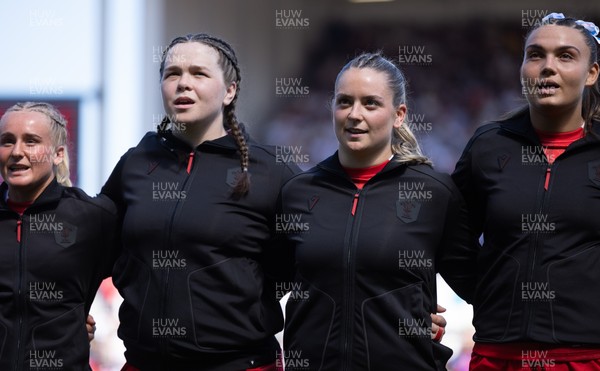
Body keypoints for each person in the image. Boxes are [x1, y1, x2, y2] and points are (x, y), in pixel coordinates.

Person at [100, 33, 301, 371]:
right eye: (172, 74)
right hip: (142, 363)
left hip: (242, 364)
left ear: (230, 90)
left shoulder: (272, 171)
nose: (183, 84)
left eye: (199, 73)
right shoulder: (136, 163)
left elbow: (320, 258)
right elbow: (92, 245)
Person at [277, 52, 478, 370]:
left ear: (399, 114)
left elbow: (483, 290)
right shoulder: (297, 193)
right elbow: (264, 285)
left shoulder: (434, 193)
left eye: (370, 103)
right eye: (344, 102)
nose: (354, 114)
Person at [451, 12, 600, 370]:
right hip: (497, 353)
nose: (547, 67)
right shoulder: (488, 146)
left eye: (565, 56)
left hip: (587, 356)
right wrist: (489, 296)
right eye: (535, 55)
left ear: (592, 73)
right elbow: (451, 240)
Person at [0, 102, 118, 369]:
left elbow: (146, 276)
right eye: (7, 141)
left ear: (57, 154)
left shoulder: (92, 217)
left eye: (31, 141)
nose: (17, 152)